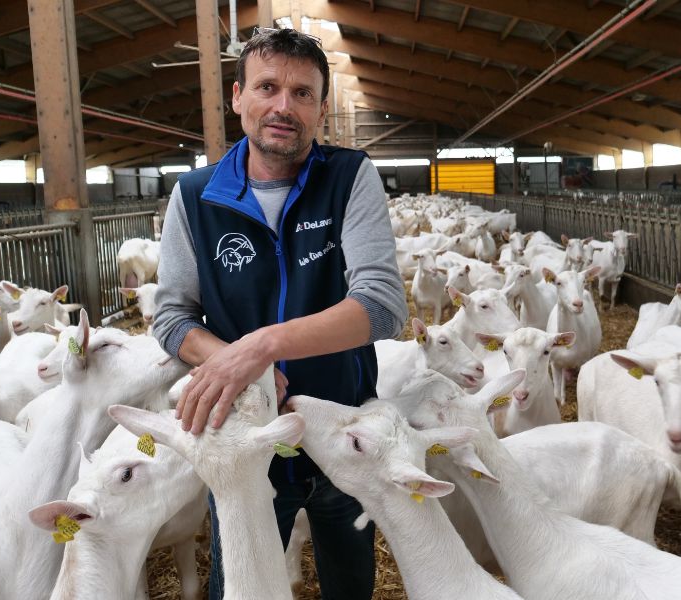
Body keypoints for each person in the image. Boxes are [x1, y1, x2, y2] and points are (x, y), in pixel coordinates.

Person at [153, 27, 408, 600]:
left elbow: (384, 306)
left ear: (321, 108)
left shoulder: (348, 176)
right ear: (238, 96)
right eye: (268, 87)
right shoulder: (195, 196)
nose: (283, 107)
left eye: (302, 93)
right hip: (244, 441)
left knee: (350, 583)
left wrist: (259, 346)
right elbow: (171, 318)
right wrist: (236, 363)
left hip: (343, 437)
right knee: (243, 587)